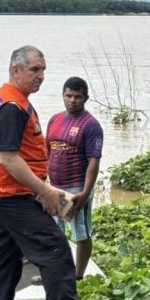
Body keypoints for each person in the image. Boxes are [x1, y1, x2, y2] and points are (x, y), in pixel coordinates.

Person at [0, 45, 109, 300]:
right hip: (11, 194)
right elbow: (9, 159)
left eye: (43, 70)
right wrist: (45, 192)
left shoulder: (15, 101)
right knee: (55, 251)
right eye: (34, 70)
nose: (41, 76)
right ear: (15, 70)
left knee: (4, 259)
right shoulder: (11, 106)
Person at [46, 76, 103, 280]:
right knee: (54, 232)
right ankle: (57, 272)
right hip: (54, 187)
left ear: (85, 98)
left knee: (81, 233)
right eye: (68, 95)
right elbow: (47, 152)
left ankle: (78, 276)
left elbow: (93, 162)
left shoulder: (91, 126)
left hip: (77, 187)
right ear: (62, 95)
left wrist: (85, 193)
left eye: (77, 97)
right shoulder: (55, 120)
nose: (72, 100)